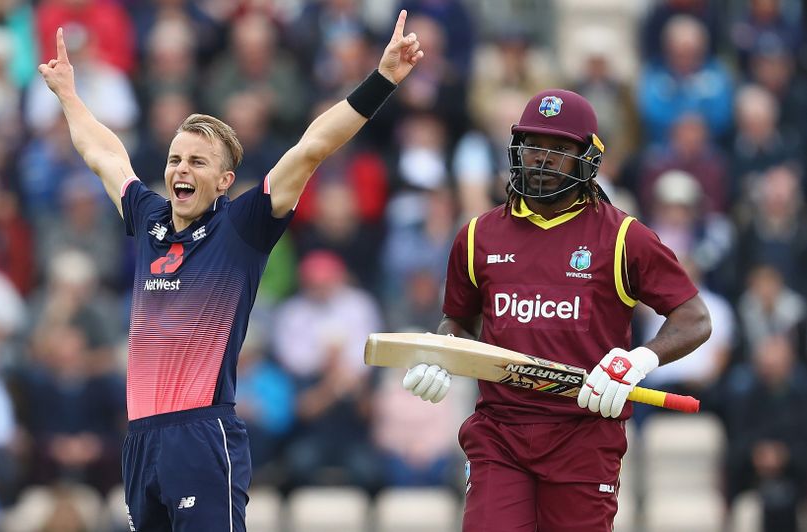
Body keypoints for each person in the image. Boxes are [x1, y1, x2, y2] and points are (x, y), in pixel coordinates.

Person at [36, 11, 424, 531]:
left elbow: (311, 148)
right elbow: (104, 153)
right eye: (176, 159)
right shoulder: (149, 217)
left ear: (224, 181)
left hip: (200, 434)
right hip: (142, 438)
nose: (181, 170)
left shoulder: (242, 227)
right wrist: (68, 95)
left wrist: (382, 80)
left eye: (197, 162)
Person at [401, 89, 712, 531]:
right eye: (533, 145)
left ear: (587, 158)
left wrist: (639, 359)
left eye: (559, 149)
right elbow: (457, 322)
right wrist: (443, 357)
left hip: (585, 434)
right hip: (500, 432)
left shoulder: (625, 236)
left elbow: (694, 317)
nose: (542, 159)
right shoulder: (476, 236)